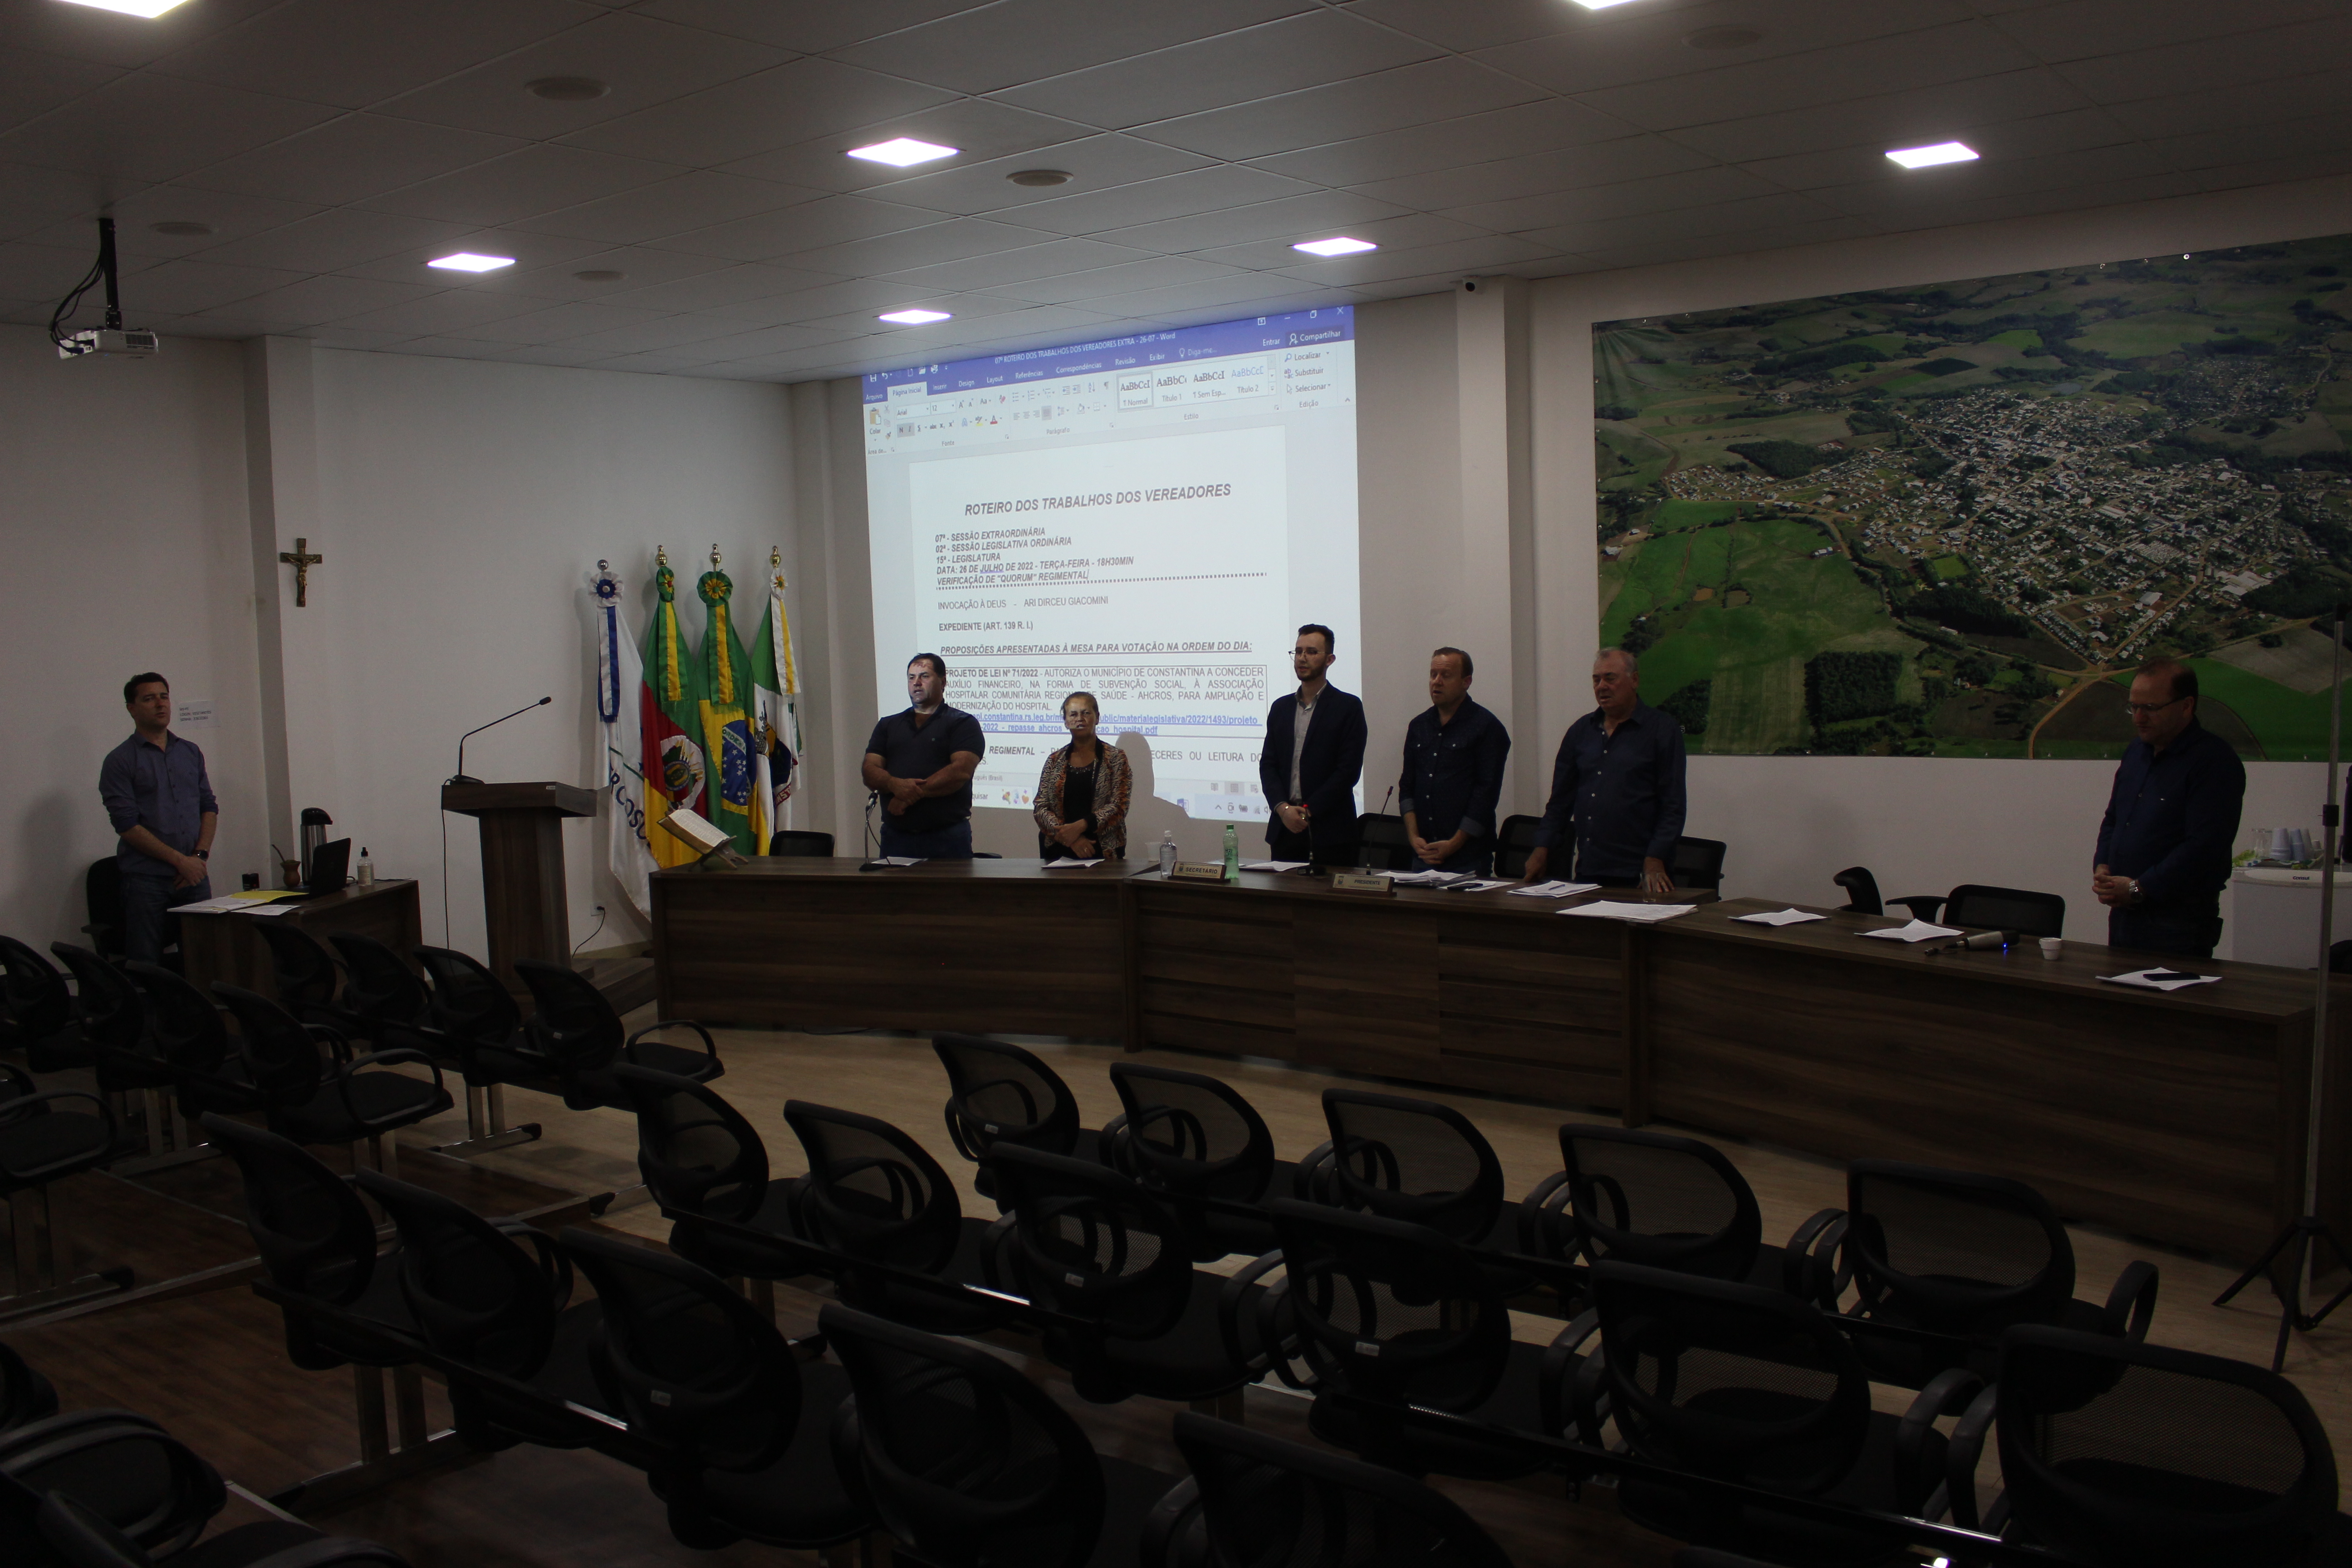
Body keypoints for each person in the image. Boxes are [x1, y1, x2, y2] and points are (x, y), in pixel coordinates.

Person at [2093, 657, 2245, 957]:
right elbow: (2115, 818)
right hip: (2125, 913)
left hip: (2177, 921)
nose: (2138, 718)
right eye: (2134, 707)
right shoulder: (2136, 753)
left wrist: (2140, 888)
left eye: (2150, 708)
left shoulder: (2214, 762)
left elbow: (2204, 847)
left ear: (2186, 706)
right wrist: (2103, 866)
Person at [1524, 648, 1686, 894]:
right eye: (1596, 680)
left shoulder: (1662, 731)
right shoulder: (1580, 732)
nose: (1602, 687)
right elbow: (1560, 801)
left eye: (1610, 678)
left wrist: (1656, 857)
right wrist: (1542, 848)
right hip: (1590, 869)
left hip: (1641, 872)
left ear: (1634, 680)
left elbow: (1673, 805)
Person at [99, 671, 218, 964]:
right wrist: (180, 862)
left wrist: (198, 857)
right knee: (146, 963)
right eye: (149, 699)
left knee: (204, 959)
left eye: (164, 697)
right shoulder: (120, 761)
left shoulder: (190, 752)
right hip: (147, 881)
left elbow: (208, 806)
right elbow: (126, 825)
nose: (160, 704)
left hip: (194, 876)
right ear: (132, 708)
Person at [1258, 624, 1367, 866]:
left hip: (1330, 833)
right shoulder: (1281, 708)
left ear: (1330, 660)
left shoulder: (1348, 707)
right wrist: (1283, 809)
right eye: (1298, 652)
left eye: (1311, 652)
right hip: (1285, 829)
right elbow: (1268, 765)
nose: (1302, 658)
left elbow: (1347, 771)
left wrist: (1308, 810)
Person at [1399, 647, 1511, 874]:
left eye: (1446, 676)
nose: (1437, 682)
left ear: (1466, 682)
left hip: (1468, 857)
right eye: (1433, 675)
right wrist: (1413, 837)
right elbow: (1407, 786)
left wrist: (1454, 844)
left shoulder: (1486, 727)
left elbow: (1486, 794)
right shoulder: (1419, 726)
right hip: (1422, 854)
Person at [862, 653, 985, 860]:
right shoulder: (888, 725)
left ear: (943, 682)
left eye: (924, 676)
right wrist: (894, 785)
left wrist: (907, 796)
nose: (916, 683)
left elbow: (960, 772)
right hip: (896, 837)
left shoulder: (963, 723)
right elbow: (869, 770)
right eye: (911, 677)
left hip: (946, 837)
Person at [1033, 691, 1132, 861]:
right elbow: (1041, 807)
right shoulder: (1054, 760)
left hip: (1102, 850)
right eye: (1073, 714)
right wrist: (1071, 838)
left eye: (1086, 713)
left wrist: (1081, 826)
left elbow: (1119, 806)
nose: (1080, 719)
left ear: (1097, 718)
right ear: (1066, 722)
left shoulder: (1116, 758)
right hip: (1059, 850)